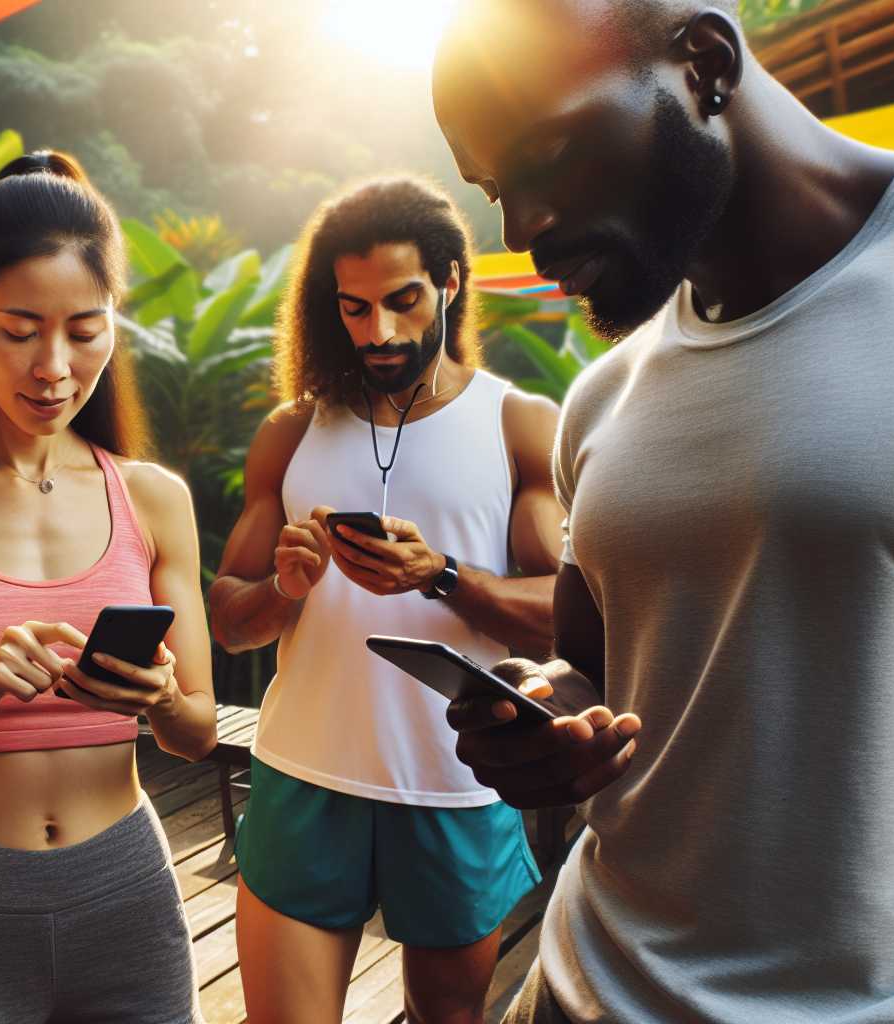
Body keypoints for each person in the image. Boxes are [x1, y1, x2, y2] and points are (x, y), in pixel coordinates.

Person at [431, 2, 894, 1022]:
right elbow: (590, 664)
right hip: (576, 990)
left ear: (701, 62)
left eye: (544, 157)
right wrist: (540, 716)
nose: (520, 228)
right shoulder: (604, 399)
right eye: (496, 190)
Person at [0, 151, 216, 1023]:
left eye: (85, 329)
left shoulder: (154, 499)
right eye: (20, 329)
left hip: (127, 889)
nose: (53, 366)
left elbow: (198, 732)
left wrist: (162, 696)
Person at [209, 177, 564, 1024]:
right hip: (303, 776)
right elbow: (227, 617)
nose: (379, 331)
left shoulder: (518, 423)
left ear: (449, 280)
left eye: (402, 301)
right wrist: (284, 590)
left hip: (456, 784)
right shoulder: (293, 430)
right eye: (354, 309)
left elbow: (569, 609)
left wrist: (440, 575)